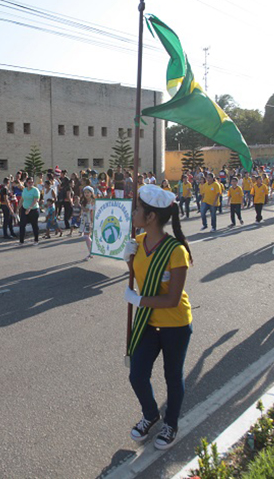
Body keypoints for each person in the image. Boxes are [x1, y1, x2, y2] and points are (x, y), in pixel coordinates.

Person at [122, 184, 193, 451]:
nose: (134, 213)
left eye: (138, 209)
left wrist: (138, 300)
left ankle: (171, 423)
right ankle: (151, 414)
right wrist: (128, 259)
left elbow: (172, 299)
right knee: (137, 374)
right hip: (149, 323)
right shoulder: (138, 243)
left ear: (151, 217)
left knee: (172, 376)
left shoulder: (176, 251)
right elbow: (138, 274)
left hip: (175, 324)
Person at [18, 176, 41, 245]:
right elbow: (22, 199)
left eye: (32, 182)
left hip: (33, 210)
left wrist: (29, 208)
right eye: (29, 182)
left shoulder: (35, 190)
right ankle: (21, 241)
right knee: (22, 225)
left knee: (34, 225)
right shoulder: (24, 190)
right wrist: (18, 208)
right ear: (26, 183)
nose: (31, 183)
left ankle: (36, 240)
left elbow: (35, 200)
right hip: (24, 209)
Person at [81, 186, 96, 260]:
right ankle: (91, 252)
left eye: (88, 192)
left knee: (87, 236)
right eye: (85, 192)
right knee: (86, 237)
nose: (86, 194)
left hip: (92, 221)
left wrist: (89, 210)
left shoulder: (94, 201)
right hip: (86, 221)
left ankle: (93, 250)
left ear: (91, 193)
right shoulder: (83, 202)